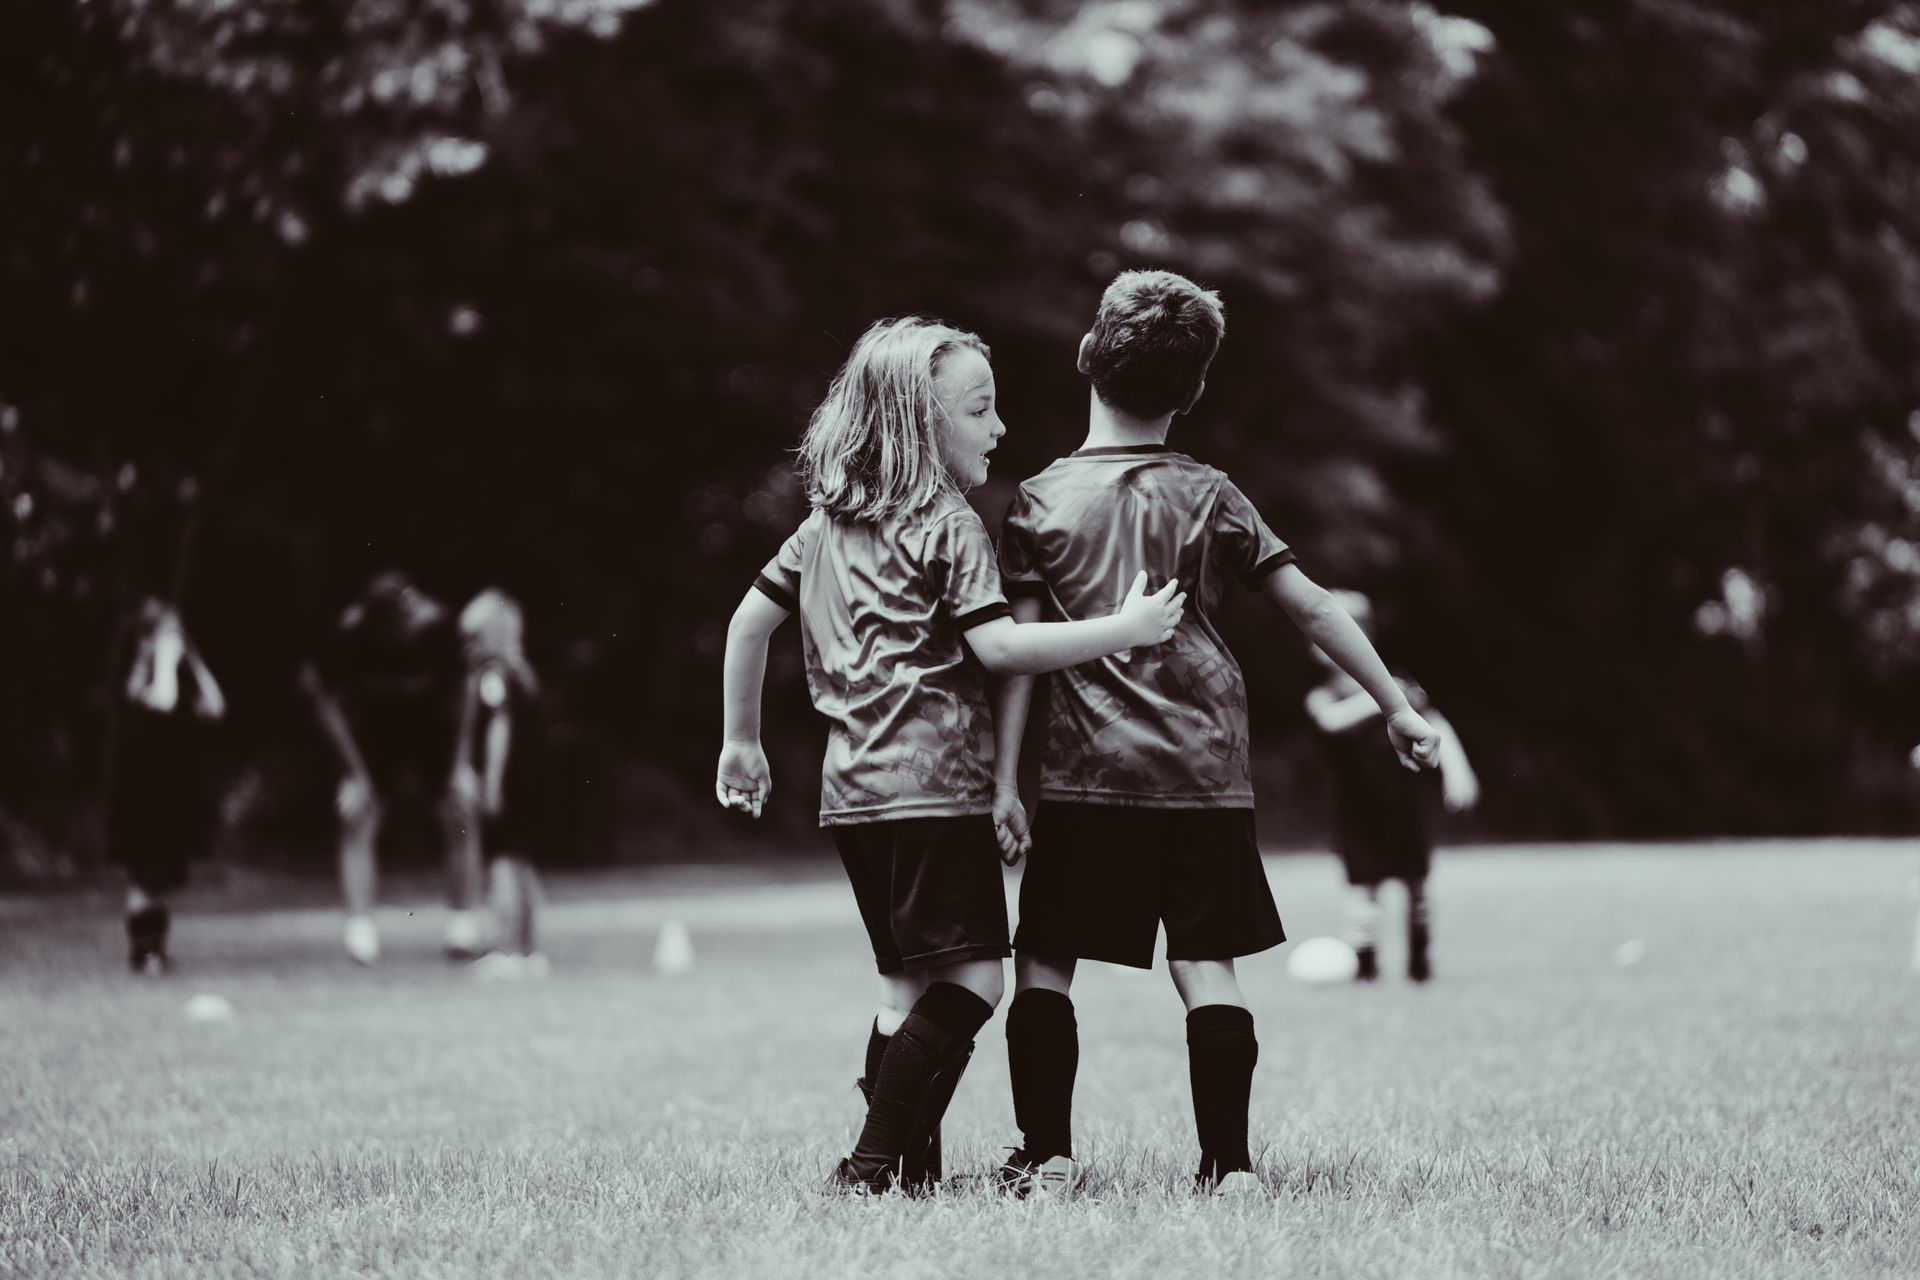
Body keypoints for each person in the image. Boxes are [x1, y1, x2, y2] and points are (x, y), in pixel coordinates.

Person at [988, 270, 1442, 1198]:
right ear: (1193, 391)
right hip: (1204, 774)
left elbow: (1024, 656)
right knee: (1207, 965)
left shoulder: (1035, 503)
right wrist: (1396, 705)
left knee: (1045, 963)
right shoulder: (1212, 495)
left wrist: (1004, 785)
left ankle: (1048, 1157)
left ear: (1086, 358)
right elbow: (1311, 609)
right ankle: (1228, 1167)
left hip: (1085, 780)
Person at [716, 316, 1186, 1195]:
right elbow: (1002, 649)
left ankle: (910, 1175)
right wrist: (1122, 630)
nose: (998, 427)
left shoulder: (821, 529)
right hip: (931, 788)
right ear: (920, 425)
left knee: (904, 986)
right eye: (980, 410)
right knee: (976, 980)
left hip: (853, 793)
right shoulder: (947, 523)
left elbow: (748, 622)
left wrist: (742, 743)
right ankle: (869, 1166)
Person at [300, 571, 483, 965]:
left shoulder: (439, 628)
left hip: (435, 729)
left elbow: (468, 691)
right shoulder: (351, 634)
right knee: (357, 815)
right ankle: (360, 932)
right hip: (374, 734)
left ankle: (463, 927)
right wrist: (355, 773)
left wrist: (461, 764)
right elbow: (322, 700)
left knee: (460, 811)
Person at [1305, 590, 1479, 983]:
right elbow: (1330, 722)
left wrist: (1457, 769)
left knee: (1417, 883)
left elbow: (1437, 724)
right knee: (1362, 888)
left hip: (1402, 803)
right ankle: (1364, 967)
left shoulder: (1399, 683)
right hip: (1356, 809)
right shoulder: (1324, 695)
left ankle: (1420, 960)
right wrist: (1385, 700)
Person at [108, 598, 227, 975]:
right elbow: (162, 701)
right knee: (145, 873)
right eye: (168, 631)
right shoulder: (139, 675)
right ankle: (143, 953)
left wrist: (193, 660)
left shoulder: (178, 672)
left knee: (163, 876)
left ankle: (157, 948)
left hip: (172, 792)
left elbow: (215, 706)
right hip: (141, 792)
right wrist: (160, 659)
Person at [459, 588, 551, 979]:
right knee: (523, 863)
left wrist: (491, 782)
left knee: (501, 864)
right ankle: (531, 953)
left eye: (473, 637)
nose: (468, 647)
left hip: (508, 783)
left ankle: (508, 951)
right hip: (534, 784)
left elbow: (499, 726)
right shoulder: (525, 675)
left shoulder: (492, 676)